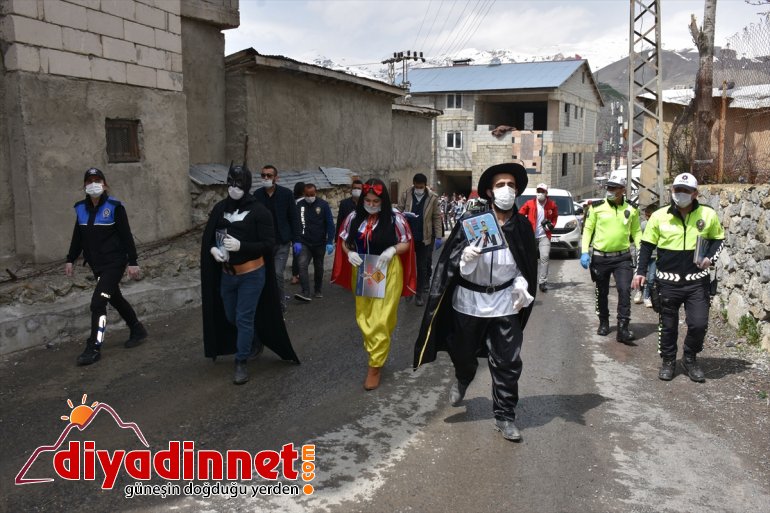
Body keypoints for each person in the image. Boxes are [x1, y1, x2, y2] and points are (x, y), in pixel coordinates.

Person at [414, 163, 538, 442]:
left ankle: (505, 416)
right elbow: (450, 263)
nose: (506, 189)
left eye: (511, 185)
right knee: (463, 352)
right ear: (489, 191)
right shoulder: (472, 221)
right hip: (469, 301)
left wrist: (520, 284)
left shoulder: (522, 227)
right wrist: (465, 259)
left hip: (504, 302)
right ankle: (463, 376)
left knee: (507, 361)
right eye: (500, 185)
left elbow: (525, 265)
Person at [200, 164, 299, 384]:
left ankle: (241, 362)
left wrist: (242, 246)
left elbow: (268, 244)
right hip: (227, 274)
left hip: (252, 274)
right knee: (231, 315)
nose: (234, 188)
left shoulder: (259, 211)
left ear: (246, 185)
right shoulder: (220, 209)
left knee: (244, 317)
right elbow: (210, 236)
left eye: (238, 184)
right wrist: (213, 249)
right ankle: (253, 339)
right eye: (231, 183)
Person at [632, 173, 724, 382]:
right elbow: (646, 247)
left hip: (697, 282)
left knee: (699, 324)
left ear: (695, 193)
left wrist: (710, 258)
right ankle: (668, 360)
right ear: (672, 191)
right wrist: (640, 272)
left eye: (685, 190)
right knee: (668, 325)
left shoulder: (707, 215)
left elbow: (718, 239)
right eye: (677, 190)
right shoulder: (659, 216)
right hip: (667, 283)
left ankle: (690, 358)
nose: (680, 194)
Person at [331, 178, 417, 391]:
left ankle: (375, 365)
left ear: (383, 200)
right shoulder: (353, 217)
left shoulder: (395, 218)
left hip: (387, 270)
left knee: (381, 318)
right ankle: (376, 351)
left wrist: (392, 250)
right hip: (363, 269)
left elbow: (406, 243)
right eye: (367, 200)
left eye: (375, 200)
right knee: (365, 317)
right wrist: (349, 252)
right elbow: (344, 240)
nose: (370, 203)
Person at [65, 168, 148, 366]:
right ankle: (137, 329)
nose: (93, 184)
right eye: (89, 181)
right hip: (97, 265)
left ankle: (94, 346)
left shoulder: (115, 207)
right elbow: (78, 237)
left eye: (97, 180)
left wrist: (133, 261)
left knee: (98, 303)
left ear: (104, 184)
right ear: (84, 186)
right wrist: (70, 258)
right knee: (114, 297)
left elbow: (126, 236)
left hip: (114, 263)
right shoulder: (81, 208)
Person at [580, 170, 642, 343]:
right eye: (609, 187)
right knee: (602, 292)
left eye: (614, 188)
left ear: (623, 189)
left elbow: (636, 232)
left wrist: (641, 248)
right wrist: (585, 251)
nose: (610, 190)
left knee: (624, 290)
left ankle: (623, 327)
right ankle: (604, 322)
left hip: (622, 257)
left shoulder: (631, 209)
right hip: (600, 257)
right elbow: (587, 230)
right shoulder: (596, 207)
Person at [253, 165, 301, 313]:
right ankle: (267, 302)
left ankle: (280, 305)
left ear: (276, 177)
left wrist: (297, 239)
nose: (266, 178)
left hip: (282, 242)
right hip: (264, 243)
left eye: (269, 175)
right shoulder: (257, 195)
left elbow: (294, 217)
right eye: (263, 175)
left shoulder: (286, 194)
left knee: (277, 273)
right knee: (264, 274)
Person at [399, 173, 443, 306]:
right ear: (413, 184)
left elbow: (436, 217)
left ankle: (419, 294)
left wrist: (439, 236)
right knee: (408, 265)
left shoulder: (432, 198)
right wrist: (402, 215)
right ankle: (409, 290)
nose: (418, 189)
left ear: (425, 185)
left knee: (422, 267)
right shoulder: (406, 194)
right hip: (408, 237)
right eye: (416, 186)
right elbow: (399, 210)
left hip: (425, 238)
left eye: (421, 187)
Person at [295, 183, 335, 301]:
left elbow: (330, 225)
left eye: (312, 194)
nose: (310, 197)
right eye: (307, 195)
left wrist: (329, 241)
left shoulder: (323, 205)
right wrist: (296, 240)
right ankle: (305, 292)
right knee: (302, 265)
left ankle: (318, 289)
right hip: (304, 242)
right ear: (304, 194)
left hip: (319, 243)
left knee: (319, 267)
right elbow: (295, 224)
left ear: (315, 193)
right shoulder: (299, 205)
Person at [519, 183, 558, 292]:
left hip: (544, 236)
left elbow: (555, 217)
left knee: (544, 257)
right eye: (538, 191)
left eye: (542, 191)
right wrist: (524, 225)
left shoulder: (552, 204)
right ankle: (528, 280)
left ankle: (542, 282)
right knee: (530, 260)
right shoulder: (530, 203)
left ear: (546, 193)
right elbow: (520, 214)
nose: (540, 193)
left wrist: (552, 225)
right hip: (531, 236)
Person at [635, 203, 658, 308]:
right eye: (647, 216)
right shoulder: (643, 225)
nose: (648, 218)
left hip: (655, 255)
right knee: (640, 274)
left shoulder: (659, 224)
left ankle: (646, 296)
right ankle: (639, 291)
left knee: (652, 277)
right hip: (644, 255)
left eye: (650, 216)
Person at [290, 181, 306, 286]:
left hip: (294, 231)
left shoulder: (292, 202)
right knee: (303, 254)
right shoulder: (303, 203)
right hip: (303, 231)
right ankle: (299, 275)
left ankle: (295, 276)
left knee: (296, 254)